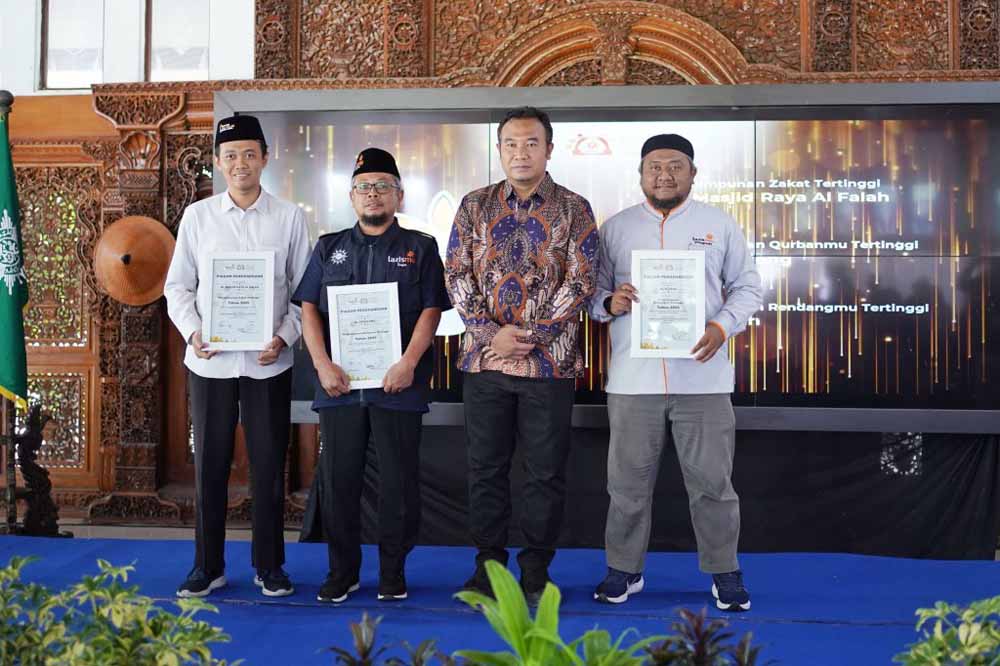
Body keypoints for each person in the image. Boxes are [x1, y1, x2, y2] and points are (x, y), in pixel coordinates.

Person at [588, 133, 762, 611]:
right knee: (627, 485)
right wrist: (610, 301)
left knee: (713, 485)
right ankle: (623, 569)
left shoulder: (718, 224)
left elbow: (748, 287)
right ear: (641, 174)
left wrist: (722, 326)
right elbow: (591, 293)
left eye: (675, 166)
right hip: (633, 380)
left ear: (693, 173)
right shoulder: (616, 228)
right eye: (654, 167)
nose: (664, 175)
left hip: (702, 379)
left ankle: (725, 571)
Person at [446, 106, 598, 605]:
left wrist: (530, 335)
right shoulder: (474, 205)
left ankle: (536, 571)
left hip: (549, 365)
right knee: (485, 470)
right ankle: (488, 568)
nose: (521, 152)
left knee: (544, 473)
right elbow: (456, 274)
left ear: (549, 149)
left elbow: (582, 281)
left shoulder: (574, 208)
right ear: (499, 149)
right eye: (511, 143)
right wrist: (490, 334)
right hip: (485, 363)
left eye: (531, 143)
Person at [294, 147, 451, 604]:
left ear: (399, 195)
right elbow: (309, 308)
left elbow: (431, 309)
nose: (373, 193)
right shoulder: (329, 248)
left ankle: (392, 573)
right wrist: (321, 364)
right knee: (339, 483)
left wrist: (408, 363)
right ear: (351, 196)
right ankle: (341, 572)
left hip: (397, 385)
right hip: (340, 387)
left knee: (399, 484)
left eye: (383, 186)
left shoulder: (420, 247)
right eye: (364, 187)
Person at [164, 114, 310, 598]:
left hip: (269, 362)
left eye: (249, 153)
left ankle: (270, 566)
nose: (240, 163)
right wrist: (194, 332)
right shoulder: (198, 217)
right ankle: (207, 566)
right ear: (218, 162)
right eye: (230, 156)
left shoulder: (289, 217)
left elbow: (304, 291)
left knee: (268, 466)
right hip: (211, 362)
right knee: (210, 464)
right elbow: (177, 287)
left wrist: (284, 337)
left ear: (265, 158)